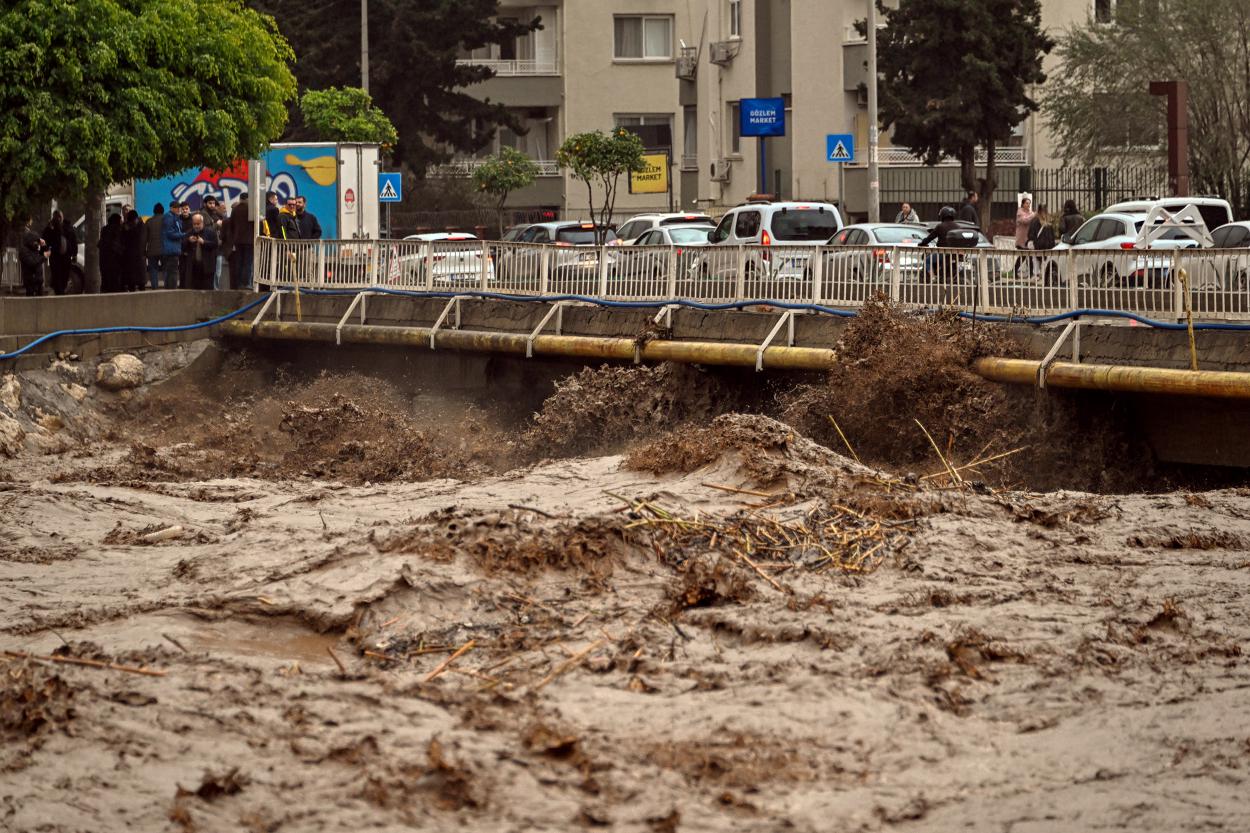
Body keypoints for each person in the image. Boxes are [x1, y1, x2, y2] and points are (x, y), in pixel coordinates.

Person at [918, 206, 964, 282]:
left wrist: (922, 243)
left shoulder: (940, 226)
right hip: (955, 254)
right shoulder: (958, 227)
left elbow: (930, 238)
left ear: (942, 215)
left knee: (927, 260)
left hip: (942, 253)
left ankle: (933, 278)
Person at [41, 210, 77, 296]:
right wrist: (45, 252)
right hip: (55, 256)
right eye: (56, 217)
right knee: (56, 276)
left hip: (66, 256)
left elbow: (73, 241)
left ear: (62, 217)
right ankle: (59, 293)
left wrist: (74, 253)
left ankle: (61, 290)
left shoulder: (68, 227)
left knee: (65, 275)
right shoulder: (50, 228)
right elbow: (44, 240)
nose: (58, 219)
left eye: (60, 217)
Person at [181, 212, 219, 290]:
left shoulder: (210, 232)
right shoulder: (189, 233)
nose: (196, 226)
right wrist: (188, 241)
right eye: (194, 224)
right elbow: (182, 247)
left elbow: (215, 245)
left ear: (202, 223)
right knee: (194, 289)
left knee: (207, 290)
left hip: (207, 267)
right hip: (193, 268)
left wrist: (204, 242)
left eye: (198, 224)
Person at [227, 194, 254, 289]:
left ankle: (238, 283)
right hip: (249, 240)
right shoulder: (251, 209)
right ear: (248, 199)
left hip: (237, 240)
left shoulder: (235, 209)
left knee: (239, 262)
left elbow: (231, 224)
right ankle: (246, 283)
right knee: (248, 262)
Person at [17, 216, 48, 296]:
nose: (37, 244)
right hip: (30, 282)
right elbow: (32, 262)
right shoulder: (24, 250)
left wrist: (43, 245)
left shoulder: (34, 249)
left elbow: (44, 253)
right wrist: (43, 257)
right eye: (35, 242)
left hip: (38, 282)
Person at [160, 200, 185, 289]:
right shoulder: (169, 217)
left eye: (179, 207)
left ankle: (170, 289)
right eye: (176, 208)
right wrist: (184, 235)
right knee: (173, 272)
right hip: (171, 249)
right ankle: (172, 291)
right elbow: (170, 233)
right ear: (171, 208)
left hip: (173, 249)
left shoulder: (175, 217)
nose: (179, 209)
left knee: (171, 271)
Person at [98, 212, 124, 293]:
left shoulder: (104, 230)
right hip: (114, 260)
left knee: (105, 281)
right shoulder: (117, 230)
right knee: (115, 282)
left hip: (104, 260)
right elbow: (117, 245)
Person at [121, 209, 146, 291]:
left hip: (135, 258)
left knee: (138, 283)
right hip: (135, 258)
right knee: (134, 283)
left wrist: (127, 229)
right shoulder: (140, 226)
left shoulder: (138, 228)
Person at [1015, 196, 1037, 279]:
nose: (1028, 205)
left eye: (1029, 203)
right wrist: (1033, 215)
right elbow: (1024, 221)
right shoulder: (1019, 212)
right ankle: (1014, 271)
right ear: (1023, 204)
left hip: (1028, 239)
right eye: (1027, 203)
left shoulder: (1030, 213)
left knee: (1030, 256)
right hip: (1021, 239)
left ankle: (1031, 274)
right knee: (1022, 257)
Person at [145, 203, 166, 289]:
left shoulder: (149, 221)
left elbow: (145, 238)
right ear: (163, 211)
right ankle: (167, 287)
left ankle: (155, 287)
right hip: (164, 249)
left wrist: (144, 250)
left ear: (154, 211)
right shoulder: (166, 220)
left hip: (152, 250)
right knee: (165, 268)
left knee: (153, 269)